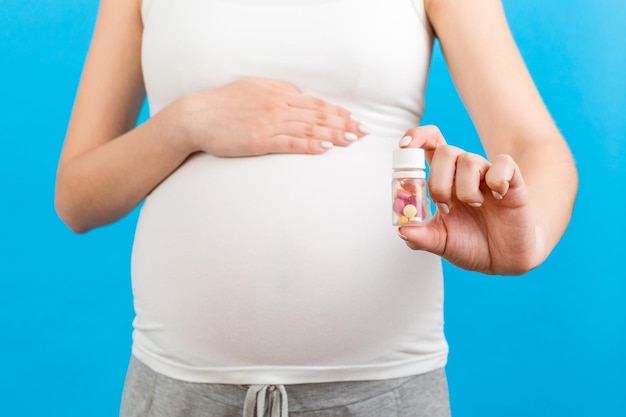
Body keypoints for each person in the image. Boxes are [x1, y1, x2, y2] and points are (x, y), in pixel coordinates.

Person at [55, 0, 578, 415]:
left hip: (383, 394)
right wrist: (185, 123)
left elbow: (536, 144)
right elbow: (76, 198)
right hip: (179, 392)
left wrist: (523, 242)